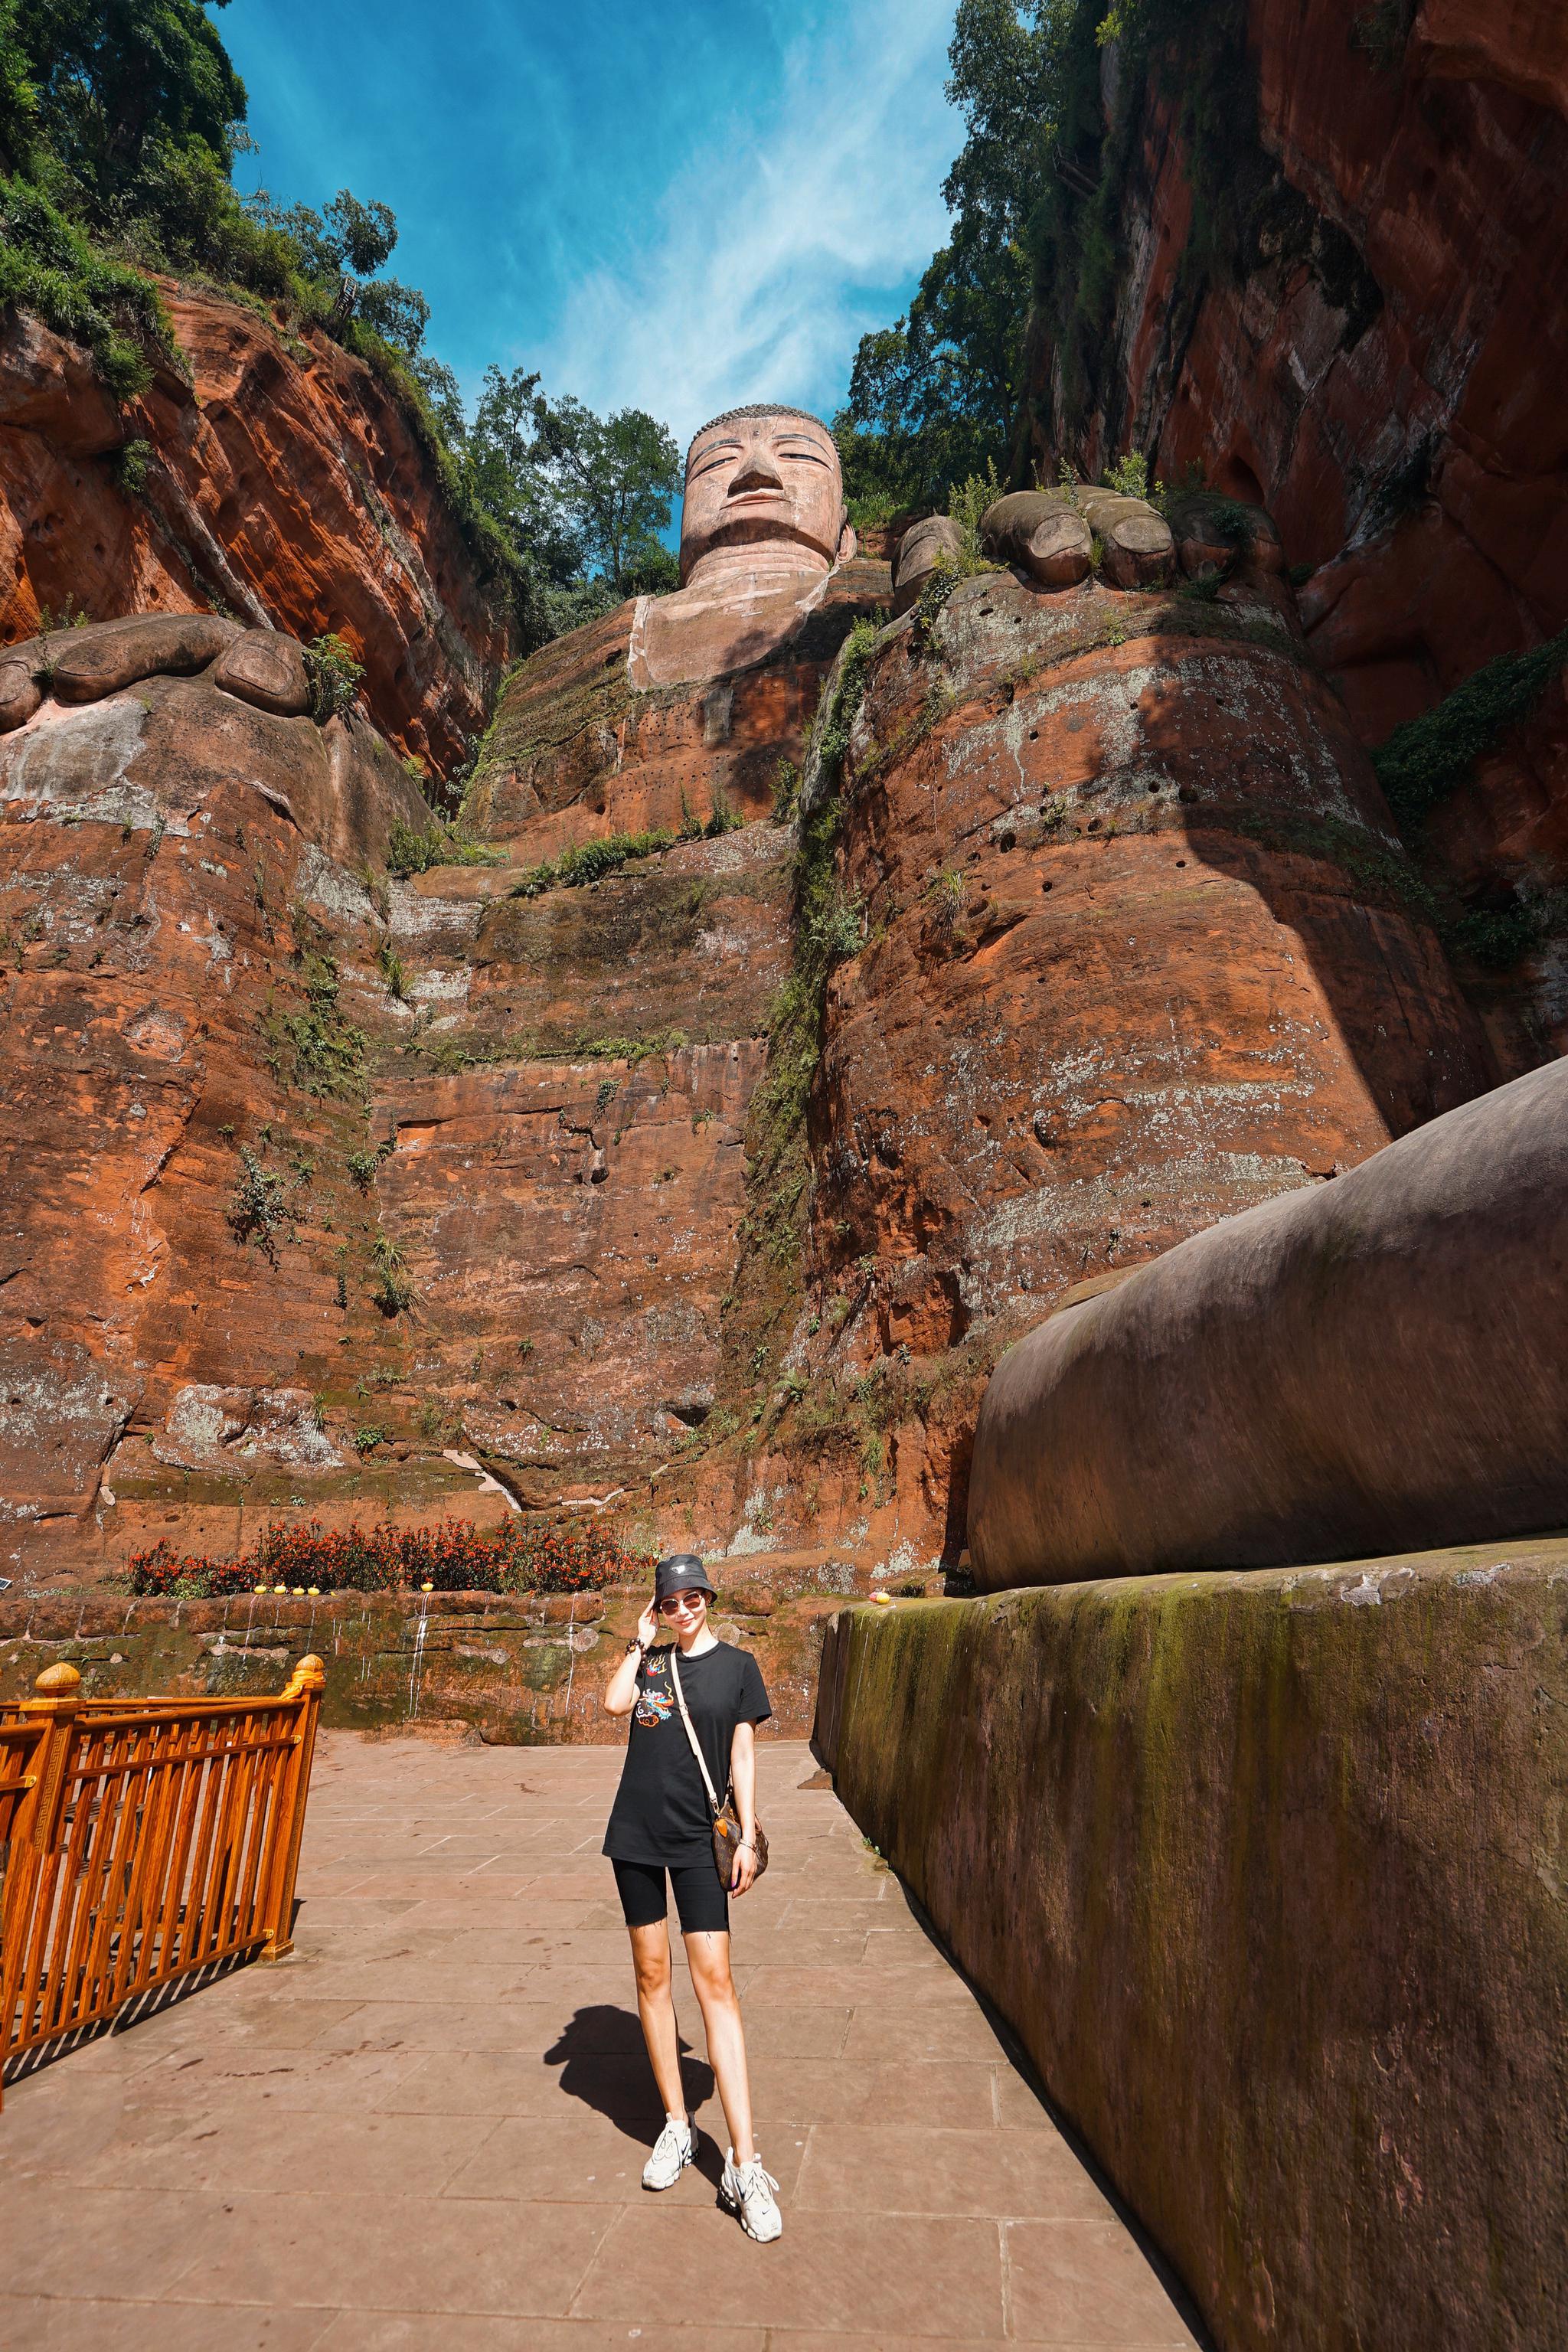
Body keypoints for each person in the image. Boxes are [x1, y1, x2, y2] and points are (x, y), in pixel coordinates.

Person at [602, 1550, 781, 2242]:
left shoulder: (738, 1668)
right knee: (652, 1977)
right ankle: (678, 2126)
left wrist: (744, 1836)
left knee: (717, 1986)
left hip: (698, 1842)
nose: (683, 1610)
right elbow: (615, 1704)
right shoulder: (648, 1661)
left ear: (709, 1597)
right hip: (636, 1837)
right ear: (659, 1607)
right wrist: (637, 1640)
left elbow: (742, 1756)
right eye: (670, 1602)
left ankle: (743, 2161)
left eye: (692, 1598)